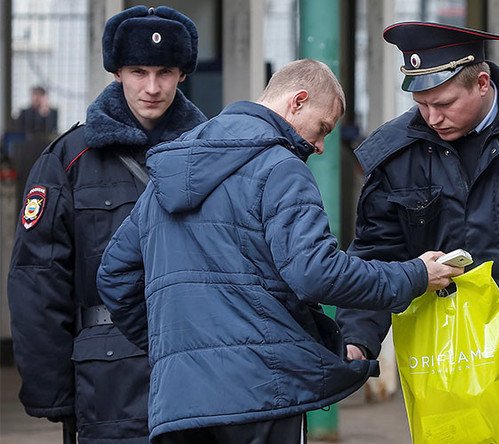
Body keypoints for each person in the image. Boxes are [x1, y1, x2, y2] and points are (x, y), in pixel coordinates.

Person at [95, 58, 463, 444]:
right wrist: (416, 275)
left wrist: (179, 349)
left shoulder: (170, 170)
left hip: (178, 404)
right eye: (322, 129)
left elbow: (114, 276)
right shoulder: (280, 167)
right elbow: (316, 273)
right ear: (298, 102)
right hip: (263, 395)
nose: (320, 147)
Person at [335, 21, 499, 437]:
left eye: (443, 103)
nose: (432, 118)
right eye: (421, 104)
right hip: (453, 361)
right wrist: (356, 339)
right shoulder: (400, 154)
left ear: (482, 83)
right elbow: (376, 252)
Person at [7, 6, 206, 443]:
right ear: (117, 72)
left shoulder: (212, 156)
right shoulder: (68, 160)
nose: (151, 88)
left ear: (182, 75)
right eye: (138, 71)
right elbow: (38, 280)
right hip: (106, 386)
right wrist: (54, 391)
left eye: (164, 72)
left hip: (201, 375)